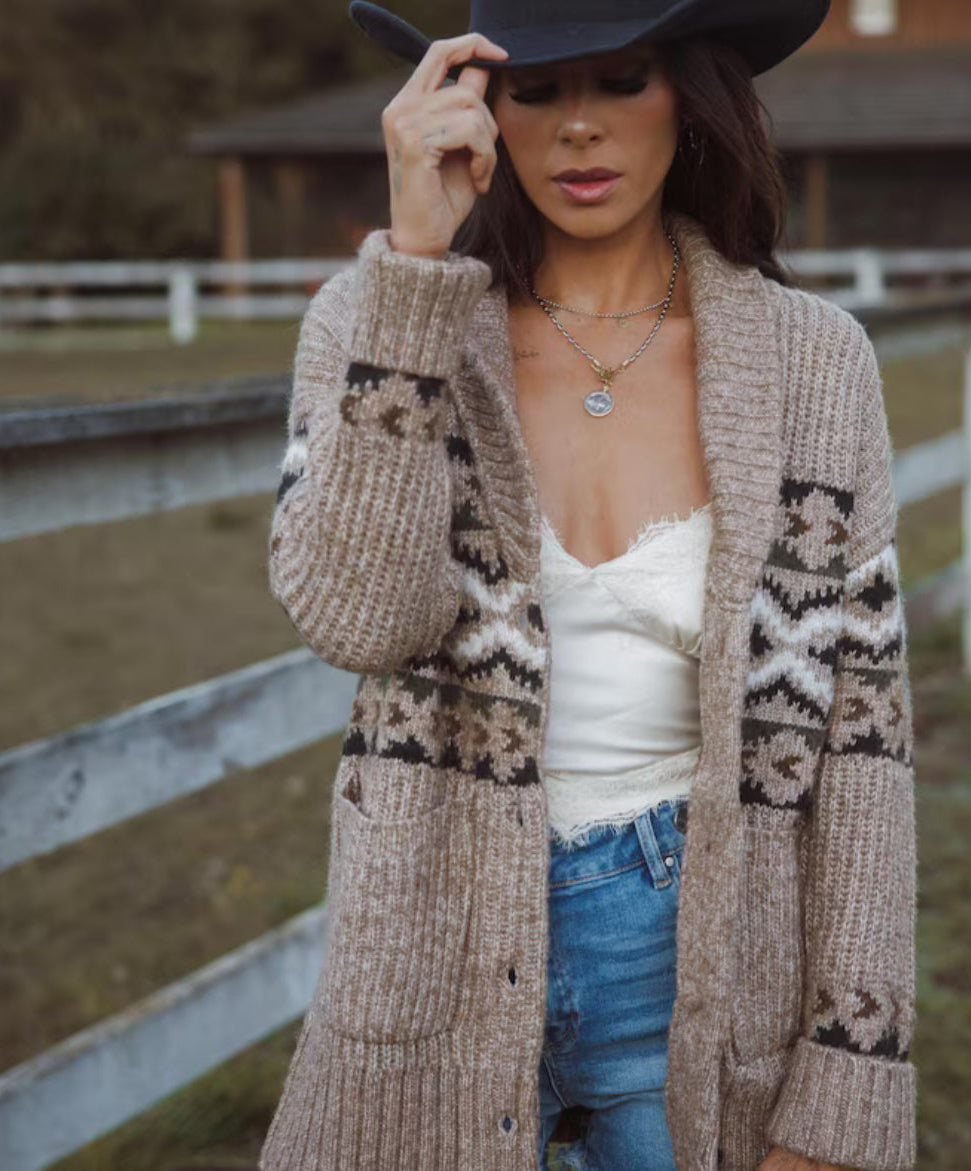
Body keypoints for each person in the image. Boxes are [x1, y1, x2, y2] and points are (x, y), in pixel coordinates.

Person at [259, 2, 918, 1170]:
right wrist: (413, 270)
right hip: (427, 950)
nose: (577, 130)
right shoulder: (376, 324)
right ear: (477, 106)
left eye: (621, 81)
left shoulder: (815, 362)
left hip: (694, 968)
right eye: (537, 89)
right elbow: (358, 619)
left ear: (693, 100)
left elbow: (862, 748)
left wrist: (847, 1089)